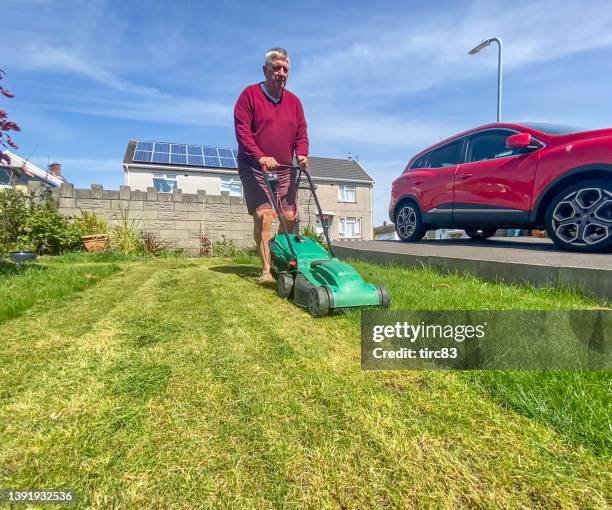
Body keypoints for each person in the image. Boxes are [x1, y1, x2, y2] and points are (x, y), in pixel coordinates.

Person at [234, 47, 309, 284]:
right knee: (266, 216)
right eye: (276, 68)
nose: (281, 73)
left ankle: (279, 259)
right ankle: (266, 270)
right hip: (255, 167)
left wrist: (303, 155)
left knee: (289, 217)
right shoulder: (249, 96)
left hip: (285, 168)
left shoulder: (294, 102)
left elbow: (302, 134)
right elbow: (243, 132)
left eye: (286, 69)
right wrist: (260, 156)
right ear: (265, 70)